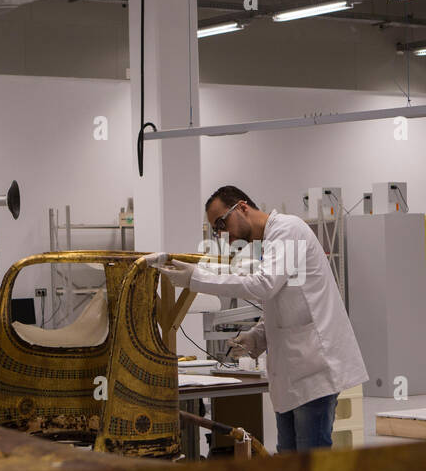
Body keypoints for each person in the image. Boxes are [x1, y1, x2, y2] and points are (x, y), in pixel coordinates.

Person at [154, 186, 367, 452]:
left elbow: (263, 285)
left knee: (309, 464)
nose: (222, 234)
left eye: (222, 222)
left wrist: (196, 278)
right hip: (293, 374)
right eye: (215, 228)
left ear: (242, 207)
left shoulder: (288, 230)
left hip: (314, 370)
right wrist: (257, 337)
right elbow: (284, 306)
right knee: (289, 461)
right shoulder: (268, 244)